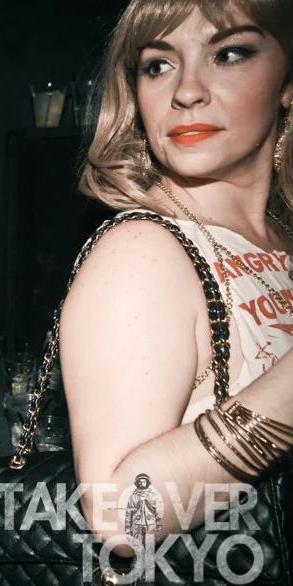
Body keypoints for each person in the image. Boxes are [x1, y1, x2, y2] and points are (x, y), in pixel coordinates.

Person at [65, 0, 293, 550]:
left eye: (229, 54)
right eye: (158, 64)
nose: (187, 91)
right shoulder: (143, 251)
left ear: (288, 82)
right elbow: (121, 517)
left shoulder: (280, 237)